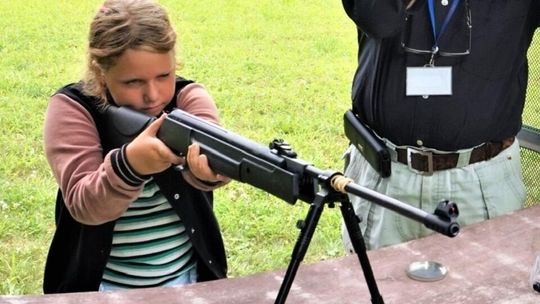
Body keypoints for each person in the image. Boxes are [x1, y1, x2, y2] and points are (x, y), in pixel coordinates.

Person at [43, 0, 230, 293]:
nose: (152, 95)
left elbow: (215, 153)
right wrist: (130, 166)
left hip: (186, 280)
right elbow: (84, 203)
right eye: (132, 81)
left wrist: (211, 171)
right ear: (100, 71)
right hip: (102, 288)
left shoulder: (189, 97)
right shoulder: (73, 108)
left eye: (164, 76)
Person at [340, 0, 540, 251]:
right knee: (373, 287)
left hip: (482, 181)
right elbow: (379, 16)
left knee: (485, 288)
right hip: (385, 176)